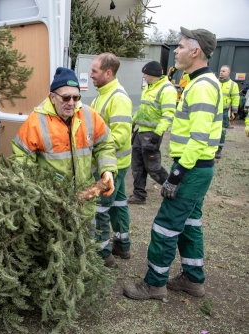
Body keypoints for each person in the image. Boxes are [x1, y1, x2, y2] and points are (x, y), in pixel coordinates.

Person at [123, 27, 221, 300]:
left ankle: (154, 284)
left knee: (165, 226)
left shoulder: (201, 87)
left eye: (179, 46)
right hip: (198, 168)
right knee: (190, 223)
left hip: (192, 168)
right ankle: (193, 279)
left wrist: (176, 174)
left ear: (195, 50)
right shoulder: (201, 82)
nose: (175, 51)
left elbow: (199, 139)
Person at [10, 67, 118, 266]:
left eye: (76, 98)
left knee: (84, 242)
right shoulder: (36, 122)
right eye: (66, 98)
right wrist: (35, 189)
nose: (72, 103)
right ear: (52, 96)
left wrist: (107, 169)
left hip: (85, 199)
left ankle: (83, 274)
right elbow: (21, 159)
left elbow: (105, 143)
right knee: (55, 248)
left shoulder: (88, 115)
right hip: (53, 202)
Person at [89, 52, 133, 265]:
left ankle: (103, 253)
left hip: (110, 166)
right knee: (119, 204)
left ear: (108, 73)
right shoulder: (102, 95)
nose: (90, 75)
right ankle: (122, 246)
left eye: (94, 71)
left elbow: (121, 136)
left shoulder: (118, 98)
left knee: (100, 207)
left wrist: (92, 145)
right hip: (117, 165)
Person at [128, 61, 177, 204]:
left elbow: (168, 114)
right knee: (137, 166)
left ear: (154, 74)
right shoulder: (149, 88)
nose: (143, 76)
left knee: (152, 167)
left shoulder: (167, 89)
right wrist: (132, 123)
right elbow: (143, 110)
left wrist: (157, 134)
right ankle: (139, 195)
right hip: (140, 132)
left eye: (145, 73)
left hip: (152, 134)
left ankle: (172, 187)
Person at [216, 65, 240, 159]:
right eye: (221, 71)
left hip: (224, 111)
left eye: (224, 71)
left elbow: (235, 98)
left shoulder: (233, 85)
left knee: (222, 130)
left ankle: (219, 150)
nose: (221, 72)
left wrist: (234, 111)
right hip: (213, 110)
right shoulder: (215, 82)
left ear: (228, 73)